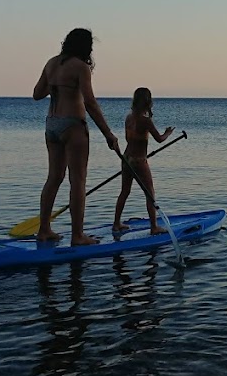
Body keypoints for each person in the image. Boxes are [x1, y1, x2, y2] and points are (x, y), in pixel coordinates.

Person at [33, 28, 120, 246]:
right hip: (73, 125)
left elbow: (37, 94)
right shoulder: (81, 67)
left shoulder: (51, 63)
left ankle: (44, 230)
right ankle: (77, 235)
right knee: (78, 181)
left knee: (54, 177)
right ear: (85, 47)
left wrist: (56, 85)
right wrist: (108, 133)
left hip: (52, 124)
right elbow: (90, 102)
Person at [113, 87, 176, 234]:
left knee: (124, 191)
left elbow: (128, 139)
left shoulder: (129, 117)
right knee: (150, 193)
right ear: (148, 102)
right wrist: (168, 133)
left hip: (126, 158)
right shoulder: (146, 121)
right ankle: (154, 227)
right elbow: (159, 139)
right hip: (139, 161)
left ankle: (116, 223)